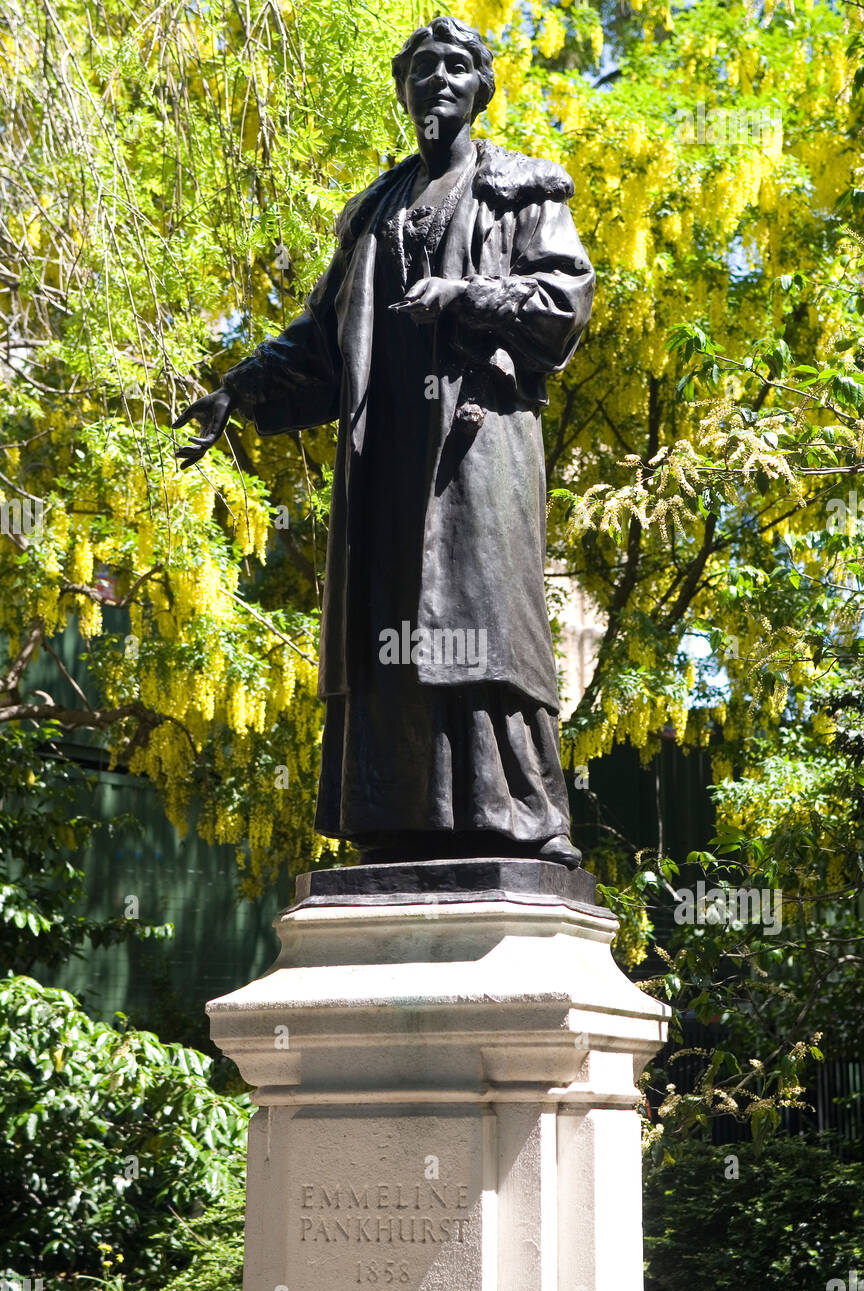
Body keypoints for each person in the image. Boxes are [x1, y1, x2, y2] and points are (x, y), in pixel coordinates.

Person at [173, 16, 595, 867]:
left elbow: (562, 304)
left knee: (478, 617)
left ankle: (520, 816)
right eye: (423, 68)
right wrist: (240, 387)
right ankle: (400, 815)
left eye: (457, 67)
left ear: (480, 88)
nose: (440, 79)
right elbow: (323, 339)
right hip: (388, 452)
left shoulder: (522, 190)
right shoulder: (374, 209)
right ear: (403, 89)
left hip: (475, 449)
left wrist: (463, 297)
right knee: (393, 622)